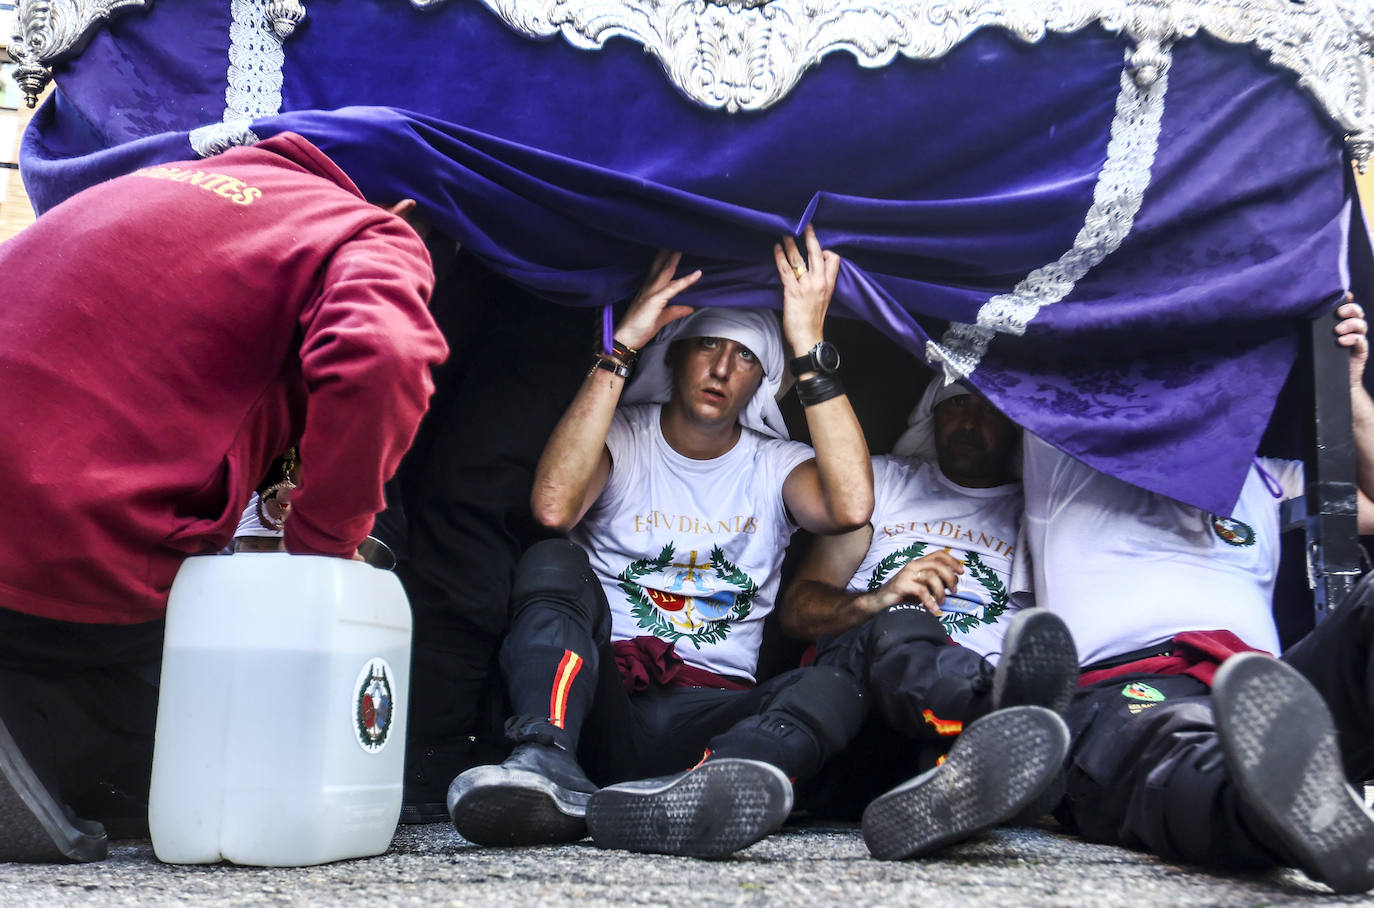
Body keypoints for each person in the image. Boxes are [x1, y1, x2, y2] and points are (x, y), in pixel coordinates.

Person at [0, 132, 449, 863]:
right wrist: (324, 545)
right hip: (66, 541)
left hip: (30, 530)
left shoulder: (148, 184)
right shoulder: (366, 229)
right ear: (403, 210)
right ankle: (38, 736)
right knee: (218, 716)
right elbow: (385, 353)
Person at [448, 227, 875, 857]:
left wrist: (808, 343)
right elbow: (552, 506)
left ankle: (716, 787)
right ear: (674, 354)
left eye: (746, 356)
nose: (723, 369)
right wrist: (623, 345)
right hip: (597, 705)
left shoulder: (775, 464)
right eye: (707, 346)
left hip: (710, 718)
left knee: (842, 679)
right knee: (552, 559)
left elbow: (852, 506)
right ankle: (544, 762)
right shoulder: (625, 434)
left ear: (762, 380)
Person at [1017, 298, 1374, 894]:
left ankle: (1299, 781)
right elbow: (1043, 338)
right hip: (1134, 691)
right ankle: (1283, 812)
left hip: (1272, 691)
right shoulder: (1063, 456)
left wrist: (1349, 390)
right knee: (1183, 751)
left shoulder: (1265, 474)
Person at [783, 379, 1077, 860]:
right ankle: (996, 722)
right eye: (956, 402)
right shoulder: (885, 483)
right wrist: (878, 600)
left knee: (929, 762)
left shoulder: (1039, 514)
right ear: (931, 415)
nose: (970, 420)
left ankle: (954, 782)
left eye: (990, 409)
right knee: (900, 620)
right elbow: (797, 610)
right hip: (866, 691)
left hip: (942, 730)